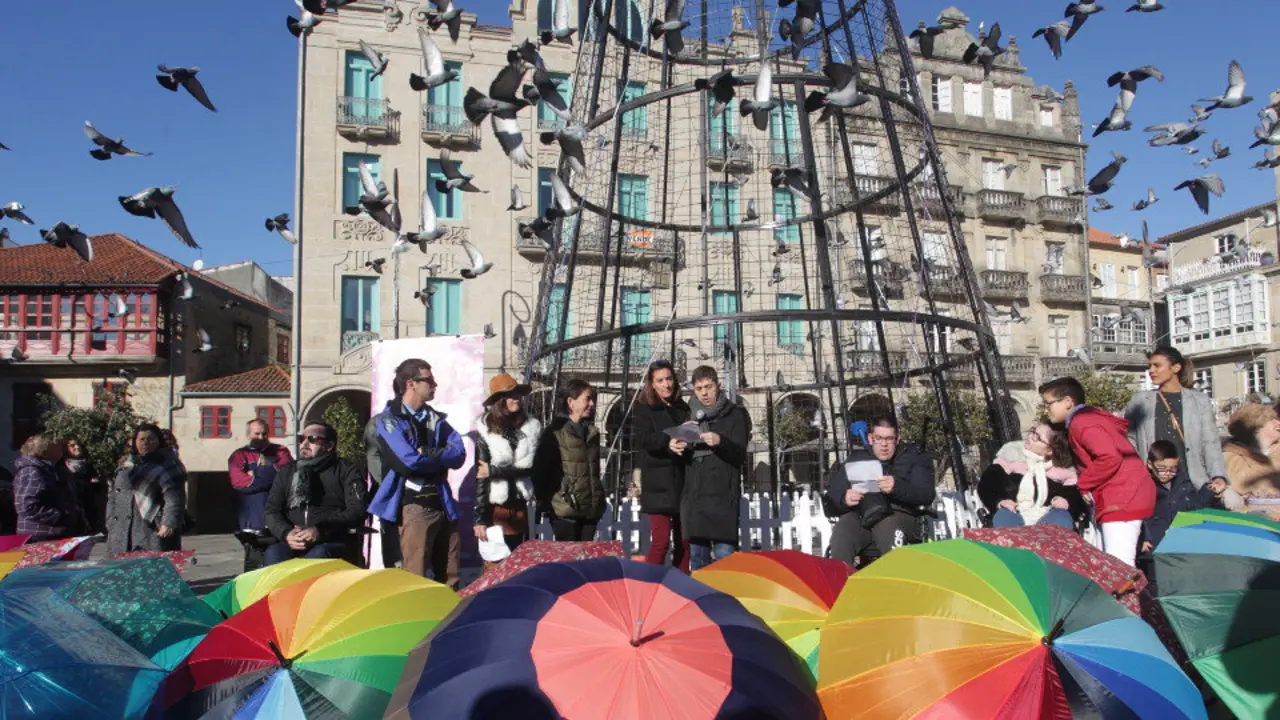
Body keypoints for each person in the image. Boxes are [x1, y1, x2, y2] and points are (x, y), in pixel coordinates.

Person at [368, 359, 466, 588]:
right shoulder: (389, 420)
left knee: (451, 577)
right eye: (429, 380)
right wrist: (441, 459)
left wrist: (429, 453)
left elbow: (459, 455)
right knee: (416, 578)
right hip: (413, 507)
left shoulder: (436, 419)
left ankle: (452, 621)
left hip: (444, 503)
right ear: (411, 383)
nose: (435, 385)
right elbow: (408, 463)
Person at [1041, 377, 1153, 567]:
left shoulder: (1082, 422)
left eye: (1048, 403)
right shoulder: (1088, 419)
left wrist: (1084, 484)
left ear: (1068, 402)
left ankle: (1129, 597)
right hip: (1120, 494)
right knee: (1108, 564)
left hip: (1121, 496)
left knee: (1119, 566)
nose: (1046, 409)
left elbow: (1110, 457)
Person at [825, 416, 934, 566]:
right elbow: (830, 501)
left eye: (889, 439)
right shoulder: (856, 459)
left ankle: (896, 584)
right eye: (879, 438)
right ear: (870, 438)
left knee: (886, 524)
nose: (884, 444)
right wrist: (844, 499)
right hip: (862, 515)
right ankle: (841, 583)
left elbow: (926, 495)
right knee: (843, 529)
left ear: (898, 439)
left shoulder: (915, 457)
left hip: (900, 515)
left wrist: (897, 487)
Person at [673, 366, 750, 571]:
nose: (704, 393)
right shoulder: (688, 415)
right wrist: (676, 446)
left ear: (718, 385)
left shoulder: (736, 414)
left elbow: (740, 455)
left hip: (723, 496)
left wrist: (720, 441)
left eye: (708, 386)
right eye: (699, 388)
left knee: (725, 562)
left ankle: (726, 602)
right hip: (696, 498)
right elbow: (679, 459)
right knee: (698, 561)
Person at [1125, 347, 1228, 494]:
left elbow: (1210, 442)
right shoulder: (1140, 401)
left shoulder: (1199, 400)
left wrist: (1218, 475)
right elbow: (1130, 442)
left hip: (1191, 481)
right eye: (1149, 366)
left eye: (1157, 365)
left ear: (1176, 367)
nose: (1151, 371)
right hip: (1152, 483)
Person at [263, 422, 368, 565]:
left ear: (329, 446)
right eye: (302, 439)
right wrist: (286, 533)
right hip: (293, 538)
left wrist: (320, 530)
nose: (305, 444)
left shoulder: (346, 470)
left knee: (317, 556)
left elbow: (357, 511)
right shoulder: (288, 471)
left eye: (312, 439)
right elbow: (272, 510)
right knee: (274, 554)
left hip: (331, 539)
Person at [633, 360, 691, 572]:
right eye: (660, 380)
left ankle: (681, 586)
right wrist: (669, 441)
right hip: (658, 484)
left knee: (684, 543)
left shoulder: (682, 408)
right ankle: (647, 586)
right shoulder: (644, 408)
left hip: (682, 481)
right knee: (661, 542)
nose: (666, 384)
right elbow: (644, 439)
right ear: (652, 384)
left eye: (669, 379)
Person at [473, 373, 541, 552]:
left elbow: (530, 468)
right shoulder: (487, 429)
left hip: (520, 505)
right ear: (499, 400)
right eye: (511, 395)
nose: (516, 399)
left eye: (518, 394)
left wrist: (495, 471)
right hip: (496, 508)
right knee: (496, 563)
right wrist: (480, 518)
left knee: (518, 561)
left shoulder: (526, 428)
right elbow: (481, 476)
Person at [534, 379, 605, 541]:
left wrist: (599, 496)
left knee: (585, 562)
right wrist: (559, 496)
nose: (592, 403)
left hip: (590, 509)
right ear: (571, 402)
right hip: (565, 510)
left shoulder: (592, 432)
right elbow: (540, 471)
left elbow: (593, 470)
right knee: (568, 560)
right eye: (587, 398)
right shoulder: (554, 433)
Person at [977, 424, 1083, 530]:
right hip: (1014, 512)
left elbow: (1074, 492)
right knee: (1004, 519)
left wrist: (1066, 500)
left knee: (1062, 519)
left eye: (1037, 437)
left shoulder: (1061, 472)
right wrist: (1000, 501)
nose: (1031, 437)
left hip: (1047, 515)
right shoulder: (1011, 457)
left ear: (1049, 450)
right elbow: (987, 483)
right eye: (1032, 431)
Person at [106, 424, 187, 555]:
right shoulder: (126, 465)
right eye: (141, 439)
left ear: (159, 441)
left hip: (152, 527)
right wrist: (110, 520)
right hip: (121, 529)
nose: (146, 443)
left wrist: (169, 523)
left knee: (152, 570)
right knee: (124, 571)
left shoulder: (168, 464)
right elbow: (113, 495)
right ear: (135, 442)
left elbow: (175, 497)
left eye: (151, 439)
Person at [1140, 441, 1224, 555]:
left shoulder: (1183, 484)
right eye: (1162, 468)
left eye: (1173, 468)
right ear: (1150, 464)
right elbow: (1138, 518)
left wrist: (1210, 492)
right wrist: (1143, 539)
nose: (1167, 473)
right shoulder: (1143, 486)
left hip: (1183, 544)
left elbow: (1197, 507)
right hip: (1154, 545)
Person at [228, 419, 294, 532]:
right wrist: (272, 474)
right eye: (257, 434)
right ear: (248, 435)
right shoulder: (239, 455)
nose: (261, 437)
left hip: (280, 518)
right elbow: (239, 483)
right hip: (251, 519)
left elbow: (286, 475)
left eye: (264, 433)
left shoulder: (281, 451)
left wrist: (255, 473)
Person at [14, 433, 81, 541]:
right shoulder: (32, 471)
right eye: (57, 445)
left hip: (57, 533)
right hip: (39, 536)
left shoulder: (55, 469)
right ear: (46, 449)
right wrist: (60, 516)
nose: (61, 448)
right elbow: (26, 506)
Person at [1222, 403, 1280, 517]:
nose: (1278, 423)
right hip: (1254, 521)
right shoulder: (1231, 457)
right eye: (1272, 420)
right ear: (1256, 428)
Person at [61, 438, 105, 535]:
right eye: (72, 446)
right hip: (74, 514)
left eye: (78, 444)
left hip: (91, 511)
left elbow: (99, 488)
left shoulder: (89, 464)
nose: (77, 447)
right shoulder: (62, 468)